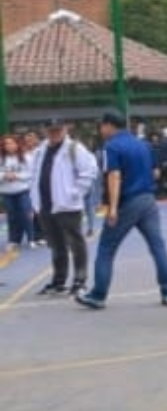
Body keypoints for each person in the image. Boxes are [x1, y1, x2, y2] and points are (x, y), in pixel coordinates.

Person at [76, 111, 167, 310]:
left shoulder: (111, 146)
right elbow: (155, 172)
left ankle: (98, 295)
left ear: (108, 125)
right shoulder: (143, 144)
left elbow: (114, 176)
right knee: (157, 246)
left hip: (127, 201)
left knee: (106, 249)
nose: (100, 130)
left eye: (101, 126)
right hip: (148, 199)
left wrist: (112, 208)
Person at [29, 119, 98, 296]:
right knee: (56, 245)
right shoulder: (39, 151)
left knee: (76, 243)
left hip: (67, 205)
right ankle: (59, 281)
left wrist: (75, 193)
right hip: (46, 205)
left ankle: (80, 281)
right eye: (51, 130)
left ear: (65, 129)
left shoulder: (74, 148)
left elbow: (89, 171)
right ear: (44, 130)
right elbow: (34, 175)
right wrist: (34, 200)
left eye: (58, 130)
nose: (55, 133)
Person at [1, 134, 35, 258]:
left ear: (17, 144)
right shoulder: (1, 159)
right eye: (6, 144)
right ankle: (14, 240)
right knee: (12, 217)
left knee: (26, 214)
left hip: (22, 190)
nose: (9, 146)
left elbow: (31, 173)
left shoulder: (25, 157)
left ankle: (31, 237)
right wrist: (4, 176)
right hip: (7, 192)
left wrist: (16, 176)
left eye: (11, 143)